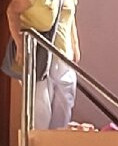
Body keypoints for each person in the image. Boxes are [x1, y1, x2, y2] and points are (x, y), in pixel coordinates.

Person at [7, 0, 79, 130]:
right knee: (41, 110)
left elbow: (69, 17)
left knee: (64, 107)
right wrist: (19, 43)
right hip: (40, 57)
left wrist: (75, 45)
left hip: (64, 58)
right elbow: (12, 10)